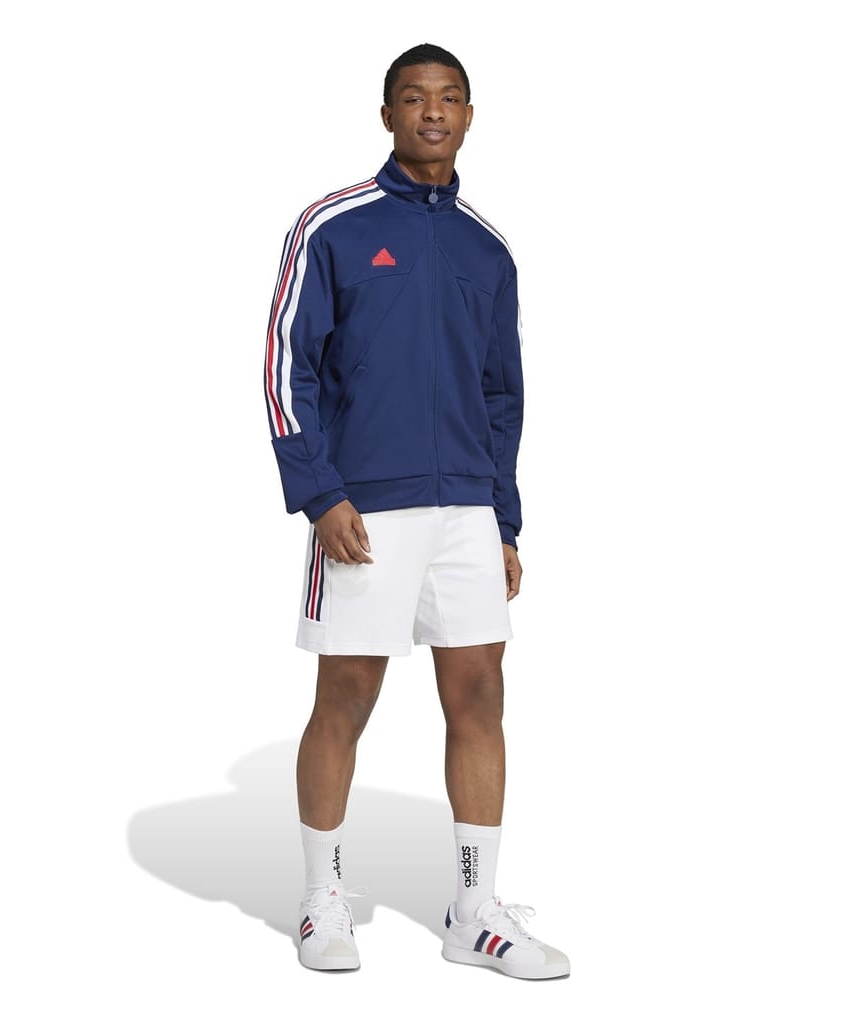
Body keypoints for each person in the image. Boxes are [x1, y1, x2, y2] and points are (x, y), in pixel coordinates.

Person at [263, 42, 569, 980]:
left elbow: (502, 393)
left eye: (449, 98)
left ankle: (474, 910)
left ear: (469, 115)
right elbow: (286, 365)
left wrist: (504, 520)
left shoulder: (488, 248)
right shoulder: (334, 226)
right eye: (413, 97)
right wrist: (321, 493)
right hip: (366, 509)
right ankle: (321, 897)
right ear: (388, 114)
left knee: (480, 696)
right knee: (347, 698)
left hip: (467, 510)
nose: (432, 111)